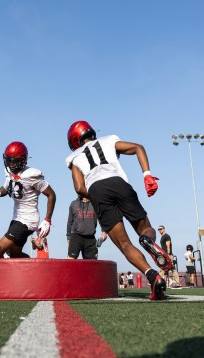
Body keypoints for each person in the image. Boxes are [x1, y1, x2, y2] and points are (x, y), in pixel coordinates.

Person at [64, 120, 172, 300]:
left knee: (125, 244)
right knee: (145, 228)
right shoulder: (108, 140)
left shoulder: (74, 157)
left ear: (74, 141)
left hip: (97, 191)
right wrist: (147, 175)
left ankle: (153, 277)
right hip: (119, 183)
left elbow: (79, 188)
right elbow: (138, 147)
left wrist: (95, 195)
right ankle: (148, 240)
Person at [0, 141, 56, 259]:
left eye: (14, 161)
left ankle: (2, 278)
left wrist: (47, 220)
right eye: (9, 160)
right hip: (17, 218)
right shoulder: (9, 172)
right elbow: (7, 186)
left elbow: (51, 194)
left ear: (22, 160)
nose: (11, 164)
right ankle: (35, 271)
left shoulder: (32, 175)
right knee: (15, 254)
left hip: (27, 220)